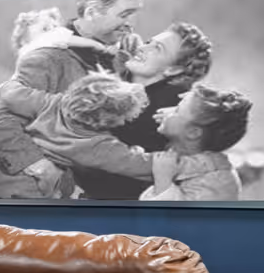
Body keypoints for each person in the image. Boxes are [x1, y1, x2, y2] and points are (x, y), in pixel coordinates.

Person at [0, 0, 147, 196]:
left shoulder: (121, 55)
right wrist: (41, 167)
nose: (131, 24)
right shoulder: (46, 56)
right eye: (125, 14)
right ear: (91, 12)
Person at [90, 21, 217, 200]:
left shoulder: (169, 109)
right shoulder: (116, 75)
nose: (143, 48)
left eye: (157, 48)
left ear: (174, 69)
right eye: (149, 41)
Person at [0, 72, 151, 200]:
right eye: (123, 118)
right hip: (36, 193)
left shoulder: (48, 102)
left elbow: (11, 93)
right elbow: (139, 165)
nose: (123, 123)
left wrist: (11, 83)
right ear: (106, 118)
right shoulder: (98, 144)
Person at [142, 84, 253, 201]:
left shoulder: (215, 181)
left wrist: (163, 179)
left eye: (177, 110)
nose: (166, 111)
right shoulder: (186, 154)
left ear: (193, 132)